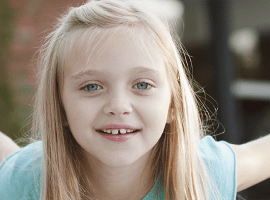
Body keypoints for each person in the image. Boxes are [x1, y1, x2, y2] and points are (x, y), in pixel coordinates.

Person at [0, 0, 270, 199]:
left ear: (173, 105)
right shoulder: (22, 181)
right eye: (92, 86)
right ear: (59, 107)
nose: (118, 105)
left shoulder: (204, 172)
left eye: (142, 84)